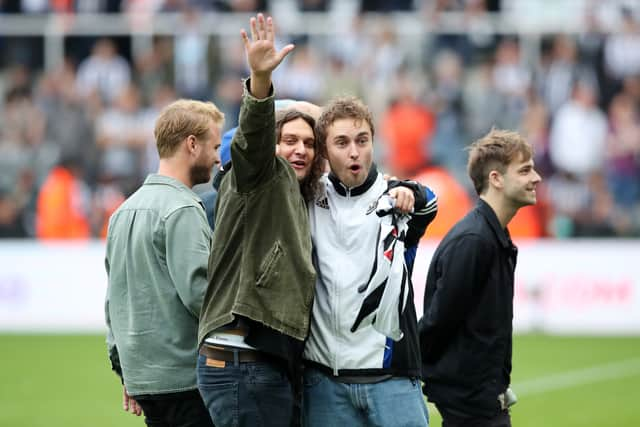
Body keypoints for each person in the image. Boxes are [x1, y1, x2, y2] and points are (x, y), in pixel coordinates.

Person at [196, 14, 324, 427]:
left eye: (309, 143)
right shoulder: (257, 173)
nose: (300, 149)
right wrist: (260, 82)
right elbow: (251, 138)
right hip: (242, 360)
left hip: (257, 362)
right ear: (272, 146)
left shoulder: (292, 195)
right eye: (289, 141)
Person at [302, 96, 438, 427]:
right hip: (325, 383)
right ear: (324, 150)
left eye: (362, 141)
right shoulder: (306, 196)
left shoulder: (395, 196)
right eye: (342, 142)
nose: (354, 152)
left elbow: (428, 203)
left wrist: (409, 192)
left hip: (390, 379)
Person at [104, 98, 224, 427]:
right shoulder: (183, 208)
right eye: (214, 146)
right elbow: (202, 294)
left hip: (145, 382)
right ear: (191, 144)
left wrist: (124, 370)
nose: (217, 157)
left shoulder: (122, 212)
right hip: (187, 381)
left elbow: (113, 303)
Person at [418, 129, 542, 427]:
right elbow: (438, 323)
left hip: (482, 404)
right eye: (525, 170)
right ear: (496, 179)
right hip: (472, 410)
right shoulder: (474, 240)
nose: (536, 177)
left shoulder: (491, 236)